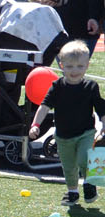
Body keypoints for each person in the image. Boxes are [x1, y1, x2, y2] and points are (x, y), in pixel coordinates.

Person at [29, 42, 105, 206]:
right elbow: (44, 106)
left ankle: (89, 184)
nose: (74, 71)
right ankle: (72, 192)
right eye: (69, 66)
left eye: (79, 66)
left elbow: (101, 109)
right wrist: (35, 125)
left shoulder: (91, 87)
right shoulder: (57, 87)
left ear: (87, 66)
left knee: (84, 158)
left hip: (86, 132)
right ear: (61, 65)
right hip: (63, 136)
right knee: (69, 166)